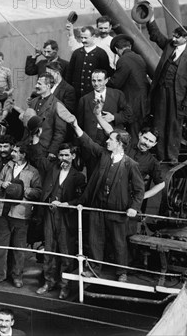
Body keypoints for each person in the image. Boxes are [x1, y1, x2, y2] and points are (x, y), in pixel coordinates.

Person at [66, 114, 145, 282]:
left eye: (110, 140)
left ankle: (121, 271)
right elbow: (88, 142)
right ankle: (94, 268)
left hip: (117, 209)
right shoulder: (103, 155)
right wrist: (75, 125)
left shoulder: (130, 164)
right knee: (95, 239)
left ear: (120, 144)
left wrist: (134, 207)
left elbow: (139, 190)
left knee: (118, 242)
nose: (107, 142)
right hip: (97, 206)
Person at [28, 139, 86, 300]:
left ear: (73, 156)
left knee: (66, 254)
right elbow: (38, 156)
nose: (63, 158)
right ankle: (49, 282)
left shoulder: (79, 176)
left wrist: (65, 204)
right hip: (49, 215)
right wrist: (36, 137)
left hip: (66, 218)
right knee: (49, 250)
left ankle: (65, 286)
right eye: (61, 155)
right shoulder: (51, 169)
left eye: (67, 155)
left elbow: (81, 199)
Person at [146, 15, 187, 163]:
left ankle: (171, 158)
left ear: (185, 38)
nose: (174, 39)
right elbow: (156, 36)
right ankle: (160, 156)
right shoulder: (169, 46)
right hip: (161, 93)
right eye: (173, 36)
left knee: (173, 127)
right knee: (159, 123)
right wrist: (150, 19)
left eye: (177, 37)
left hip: (179, 98)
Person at [0, 143, 42, 288]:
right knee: (0, 246)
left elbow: (38, 192)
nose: (12, 153)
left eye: (16, 151)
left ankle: (17, 276)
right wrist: (2, 185)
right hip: (2, 211)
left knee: (19, 248)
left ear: (24, 154)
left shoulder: (33, 172)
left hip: (21, 214)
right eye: (13, 151)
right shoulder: (7, 166)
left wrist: (21, 190)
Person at [107, 34, 150, 141]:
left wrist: (105, 82)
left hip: (132, 103)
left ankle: (133, 156)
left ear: (117, 49)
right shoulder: (139, 57)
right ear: (129, 47)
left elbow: (116, 82)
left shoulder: (123, 60)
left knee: (133, 133)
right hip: (143, 102)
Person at [77, 69, 132, 148]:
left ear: (106, 80)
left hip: (112, 137)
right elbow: (80, 124)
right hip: (92, 139)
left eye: (99, 80)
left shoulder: (117, 94)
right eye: (93, 81)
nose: (96, 84)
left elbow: (128, 113)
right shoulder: (84, 99)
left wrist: (114, 117)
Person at [64, 26, 112, 100]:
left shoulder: (101, 53)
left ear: (93, 37)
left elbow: (105, 73)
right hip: (77, 95)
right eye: (81, 38)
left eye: (86, 38)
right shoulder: (77, 53)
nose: (83, 40)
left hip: (93, 95)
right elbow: (69, 73)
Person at [27, 73, 67, 158]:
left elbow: (60, 133)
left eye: (39, 84)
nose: (36, 86)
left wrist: (52, 151)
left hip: (43, 150)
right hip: (28, 148)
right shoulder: (33, 102)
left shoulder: (58, 105)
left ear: (48, 86)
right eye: (37, 83)